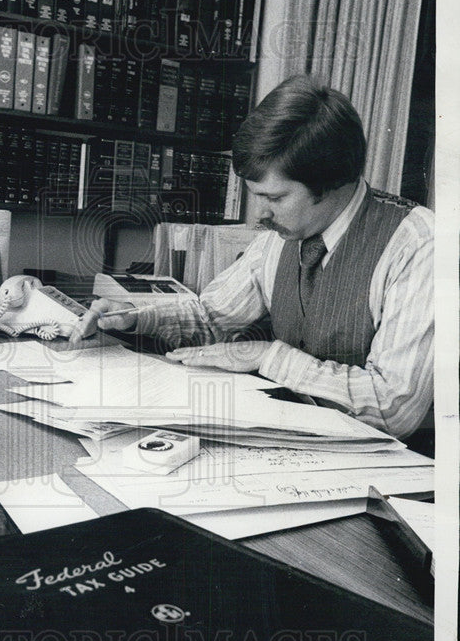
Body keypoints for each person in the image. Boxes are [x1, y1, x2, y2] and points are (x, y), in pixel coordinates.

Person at [70, 76, 434, 445]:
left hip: (391, 469)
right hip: (292, 441)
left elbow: (394, 409)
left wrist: (268, 357)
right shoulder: (281, 236)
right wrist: (136, 317)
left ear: (332, 185)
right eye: (254, 194)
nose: (259, 214)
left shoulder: (419, 244)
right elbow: (212, 318)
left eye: (274, 198)